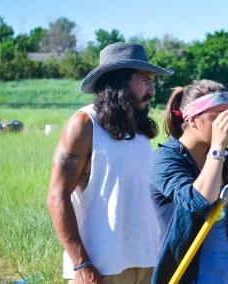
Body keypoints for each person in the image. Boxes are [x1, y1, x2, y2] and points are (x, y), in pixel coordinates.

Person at [46, 42, 173, 284]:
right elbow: (56, 197)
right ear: (120, 81)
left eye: (151, 81)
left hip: (148, 262)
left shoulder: (140, 128)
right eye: (145, 80)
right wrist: (81, 263)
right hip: (101, 268)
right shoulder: (85, 125)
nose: (152, 89)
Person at [150, 80, 228, 284]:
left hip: (225, 276)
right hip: (185, 277)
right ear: (193, 119)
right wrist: (218, 148)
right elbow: (199, 201)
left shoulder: (222, 157)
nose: (226, 124)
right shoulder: (166, 159)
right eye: (218, 118)